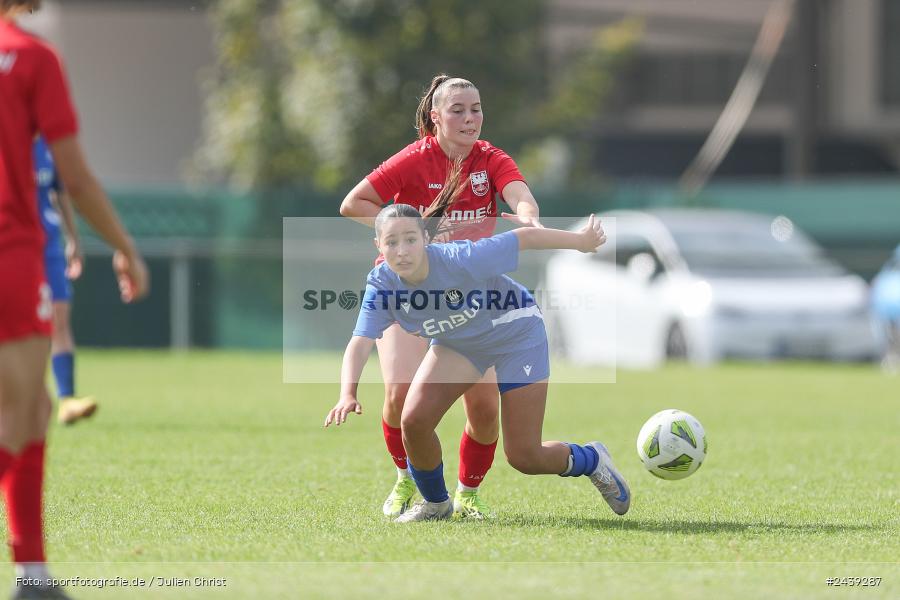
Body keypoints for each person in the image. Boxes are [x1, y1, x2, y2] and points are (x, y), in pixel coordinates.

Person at [325, 173, 631, 523]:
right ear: (378, 246)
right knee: (414, 421)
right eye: (391, 242)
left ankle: (592, 459)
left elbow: (525, 237)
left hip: (516, 333)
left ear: (426, 238)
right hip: (461, 344)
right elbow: (359, 343)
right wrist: (347, 394)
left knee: (524, 456)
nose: (402, 250)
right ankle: (436, 504)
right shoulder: (381, 286)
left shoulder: (461, 258)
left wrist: (580, 241)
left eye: (410, 239)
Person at [338, 74, 544, 519]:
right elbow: (353, 204)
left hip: (470, 298)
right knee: (399, 395)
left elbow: (519, 193)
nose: (470, 118)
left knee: (485, 408)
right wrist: (409, 234)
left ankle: (468, 494)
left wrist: (528, 216)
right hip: (408, 291)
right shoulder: (415, 159)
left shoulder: (489, 159)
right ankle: (406, 478)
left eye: (476, 109)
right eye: (458, 110)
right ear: (435, 117)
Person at [1, 2, 149, 598]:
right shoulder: (29, 57)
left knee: (34, 407)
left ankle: (33, 575)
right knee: (19, 413)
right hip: (9, 251)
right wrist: (124, 247)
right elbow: (77, 178)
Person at [33, 137, 96, 425]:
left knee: (59, 317)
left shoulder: (48, 146)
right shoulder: (8, 140)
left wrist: (73, 238)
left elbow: (62, 194)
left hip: (49, 246)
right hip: (13, 246)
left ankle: (67, 399)